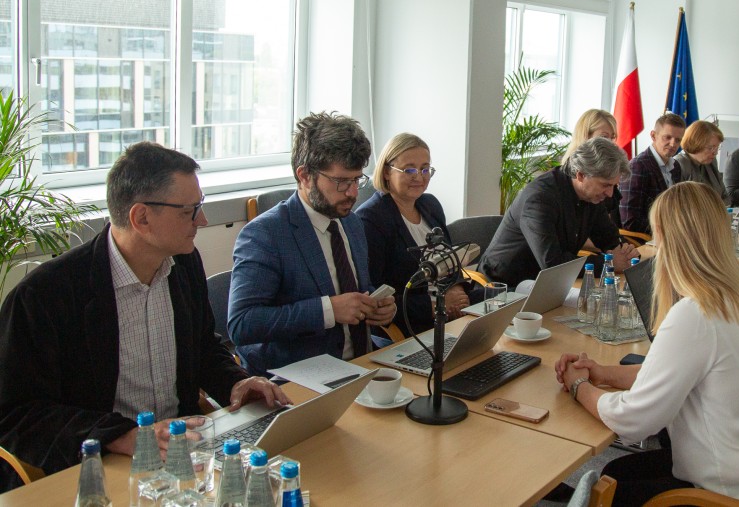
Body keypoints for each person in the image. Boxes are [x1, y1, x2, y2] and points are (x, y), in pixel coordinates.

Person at [0, 143, 288, 488]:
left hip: (184, 455)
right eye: (189, 211)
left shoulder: (184, 263)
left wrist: (235, 382)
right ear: (141, 218)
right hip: (103, 467)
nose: (202, 220)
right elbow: (16, 414)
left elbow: (201, 347)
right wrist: (122, 436)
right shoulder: (45, 296)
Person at [555, 183, 739, 507]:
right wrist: (603, 373)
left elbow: (634, 421)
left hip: (735, 494)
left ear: (668, 240)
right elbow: (674, 372)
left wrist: (580, 387)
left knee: (609, 489)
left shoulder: (697, 313)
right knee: (617, 473)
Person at [229, 113, 397, 377]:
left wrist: (379, 306)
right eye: (341, 182)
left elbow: (355, 289)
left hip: (365, 363)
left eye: (357, 180)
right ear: (305, 176)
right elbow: (242, 324)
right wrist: (328, 310)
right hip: (303, 378)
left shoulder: (352, 223)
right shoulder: (265, 234)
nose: (353, 192)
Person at [356, 133, 477, 336]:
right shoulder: (371, 219)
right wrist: (436, 304)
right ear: (386, 172)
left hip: (450, 313)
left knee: (503, 303)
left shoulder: (431, 204)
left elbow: (450, 260)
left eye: (425, 169)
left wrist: (456, 288)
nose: (419, 177)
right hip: (412, 325)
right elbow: (376, 295)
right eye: (409, 169)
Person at [478, 137, 638, 287]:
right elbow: (552, 263)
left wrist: (628, 254)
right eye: (605, 185)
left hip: (547, 285)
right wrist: (609, 263)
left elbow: (610, 239)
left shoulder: (592, 196)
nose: (610, 193)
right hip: (504, 287)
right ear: (581, 175)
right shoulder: (539, 198)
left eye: (614, 186)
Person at [619, 113, 685, 235]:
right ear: (653, 136)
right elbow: (630, 221)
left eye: (678, 140)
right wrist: (668, 230)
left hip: (671, 236)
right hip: (647, 239)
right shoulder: (637, 167)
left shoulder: (676, 166)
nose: (673, 144)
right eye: (667, 137)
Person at [563, 109, 622, 228]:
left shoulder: (608, 169)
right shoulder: (567, 174)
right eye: (604, 137)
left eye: (612, 138)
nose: (610, 143)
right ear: (586, 137)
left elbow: (607, 226)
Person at [673, 119, 727, 203]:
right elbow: (678, 203)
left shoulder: (711, 161)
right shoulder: (679, 164)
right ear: (696, 143)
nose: (715, 153)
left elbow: (724, 195)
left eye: (717, 147)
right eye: (711, 148)